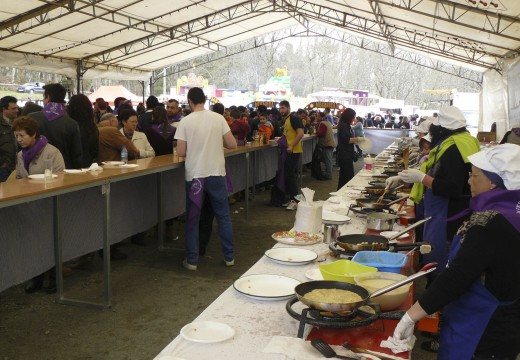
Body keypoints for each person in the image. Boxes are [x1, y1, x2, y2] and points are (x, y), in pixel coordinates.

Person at [388, 144, 520, 360]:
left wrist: (410, 317)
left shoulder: (490, 224)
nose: (468, 181)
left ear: (493, 182)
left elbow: (457, 276)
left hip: (483, 328)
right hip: (504, 319)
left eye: (474, 175)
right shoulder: (512, 210)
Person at [389, 106, 480, 284]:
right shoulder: (463, 140)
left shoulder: (454, 147)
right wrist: (403, 178)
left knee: (441, 258)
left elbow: (453, 187)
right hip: (446, 210)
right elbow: (438, 170)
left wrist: (422, 179)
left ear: (441, 129)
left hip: (449, 214)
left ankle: (438, 299)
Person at [174, 87, 237, 271]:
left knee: (193, 219)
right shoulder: (218, 118)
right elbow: (232, 144)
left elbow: (181, 152)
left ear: (190, 101)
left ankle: (192, 260)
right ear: (205, 100)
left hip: (195, 176)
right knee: (223, 217)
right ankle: (229, 257)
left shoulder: (185, 121)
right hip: (217, 173)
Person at [12, 116, 65, 293]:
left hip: (48, 203)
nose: (19, 140)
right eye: (16, 136)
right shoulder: (20, 155)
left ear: (33, 134)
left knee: (50, 240)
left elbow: (61, 177)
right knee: (33, 242)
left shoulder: (52, 152)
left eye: (22, 135)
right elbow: (20, 177)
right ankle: (36, 276)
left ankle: (54, 277)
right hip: (30, 206)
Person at [28, 83, 82, 169]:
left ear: (48, 97)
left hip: (35, 169)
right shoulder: (72, 123)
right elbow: (76, 154)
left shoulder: (31, 118)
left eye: (43, 97)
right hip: (64, 169)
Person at [279, 100, 304, 211]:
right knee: (288, 175)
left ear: (288, 108)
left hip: (294, 151)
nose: (281, 110)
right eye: (280, 108)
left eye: (283, 108)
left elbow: (301, 133)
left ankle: (295, 201)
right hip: (289, 151)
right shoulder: (287, 120)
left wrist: (291, 146)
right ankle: (292, 199)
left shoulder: (294, 118)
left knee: (290, 176)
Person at [67, 94, 99, 168]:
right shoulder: (92, 127)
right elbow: (95, 151)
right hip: (88, 164)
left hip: (70, 166)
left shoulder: (69, 126)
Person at [336, 108, 363, 190]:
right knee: (347, 178)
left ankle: (341, 193)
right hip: (345, 155)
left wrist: (356, 140)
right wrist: (358, 139)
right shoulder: (344, 126)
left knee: (345, 178)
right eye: (353, 117)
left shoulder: (346, 125)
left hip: (346, 154)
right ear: (349, 116)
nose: (354, 119)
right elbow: (346, 140)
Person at [314, 111, 336, 180]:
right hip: (330, 143)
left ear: (321, 117)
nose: (316, 117)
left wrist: (315, 132)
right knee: (328, 160)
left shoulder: (322, 123)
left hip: (327, 144)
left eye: (317, 116)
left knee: (327, 161)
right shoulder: (327, 122)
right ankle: (328, 173)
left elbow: (321, 133)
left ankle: (328, 175)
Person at [0, 96, 17, 181]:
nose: (17, 110)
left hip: (15, 166)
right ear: (4, 109)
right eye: (13, 108)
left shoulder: (17, 122)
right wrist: (3, 163)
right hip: (3, 168)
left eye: (17, 108)